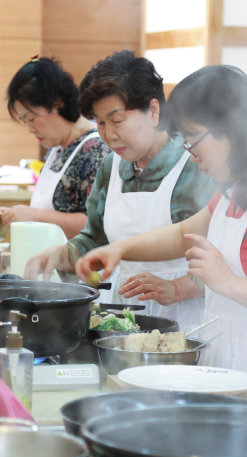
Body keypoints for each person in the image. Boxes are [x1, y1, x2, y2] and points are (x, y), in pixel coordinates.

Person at [76, 65, 247, 417]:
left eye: (193, 139)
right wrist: (120, 249)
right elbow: (185, 233)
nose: (190, 153)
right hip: (236, 361)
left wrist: (227, 282)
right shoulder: (239, 186)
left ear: (230, 128)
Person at [25, 51, 215, 330]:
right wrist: (60, 254)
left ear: (153, 111)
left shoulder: (196, 164)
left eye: (117, 120)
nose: (108, 135)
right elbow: (94, 239)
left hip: (187, 317)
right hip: (124, 317)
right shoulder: (111, 167)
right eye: (100, 123)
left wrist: (176, 287)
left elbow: (226, 254)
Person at [0, 56, 111, 240]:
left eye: (32, 118)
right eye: (24, 121)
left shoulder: (95, 150)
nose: (30, 129)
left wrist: (34, 216)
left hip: (83, 267)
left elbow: (98, 224)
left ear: (57, 103)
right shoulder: (56, 150)